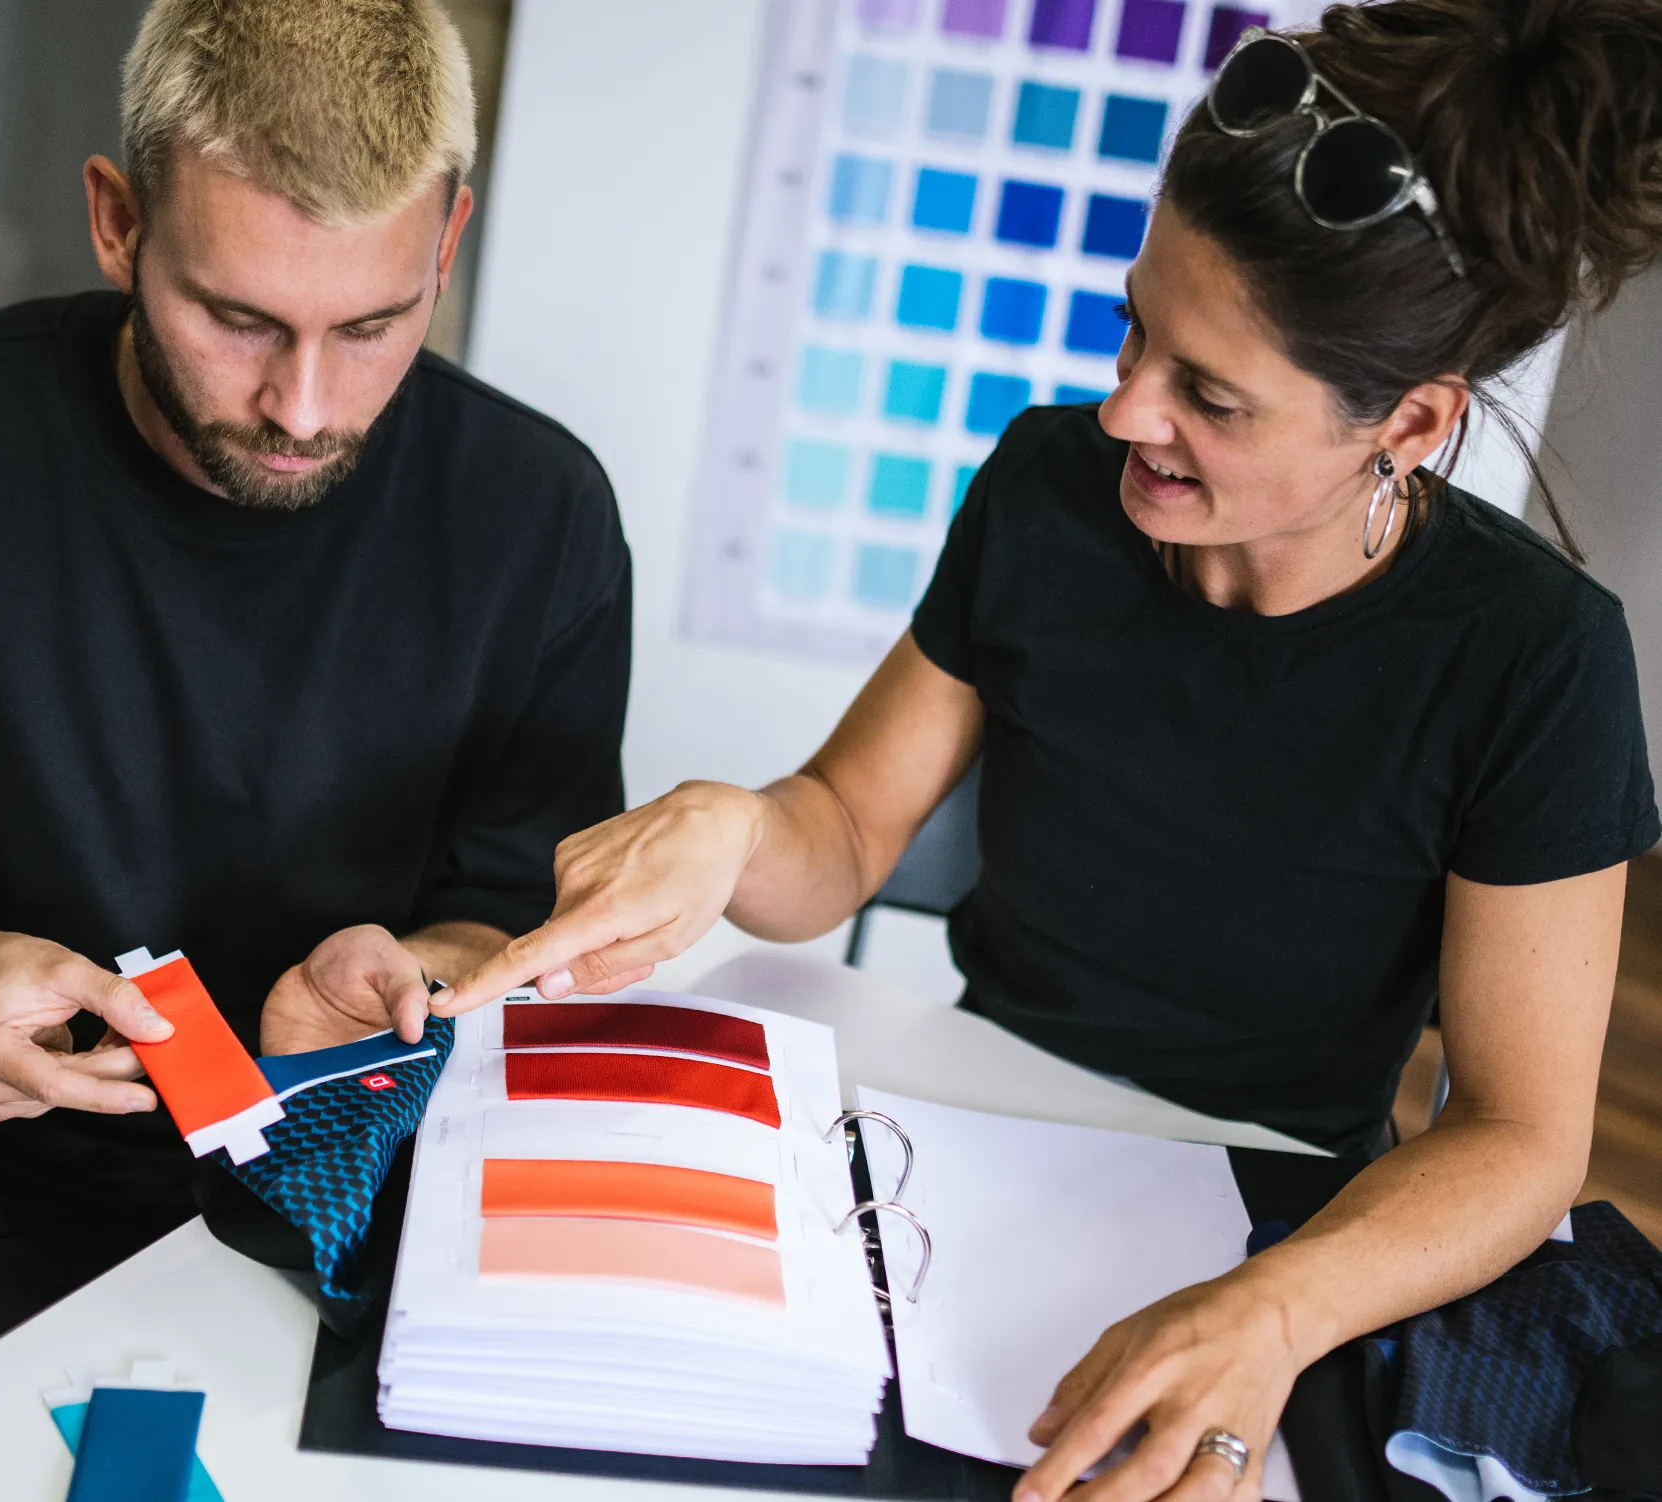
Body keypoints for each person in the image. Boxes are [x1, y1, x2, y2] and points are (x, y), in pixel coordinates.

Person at [437, 1, 1662, 1498]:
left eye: (1207, 396)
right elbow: (842, 823)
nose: (1122, 407)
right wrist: (734, 828)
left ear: (1404, 423)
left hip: (1275, 1230)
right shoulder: (1044, 491)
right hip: (953, 1147)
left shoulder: (1533, 656)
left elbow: (1522, 1136)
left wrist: (1272, 1309)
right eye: (1134, 326)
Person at [0, 0, 630, 1422]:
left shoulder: (540, 520)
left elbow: (509, 923)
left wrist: (413, 980)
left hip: (355, 1198)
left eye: (375, 322)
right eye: (237, 318)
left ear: (445, 244)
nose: (303, 408)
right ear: (116, 221)